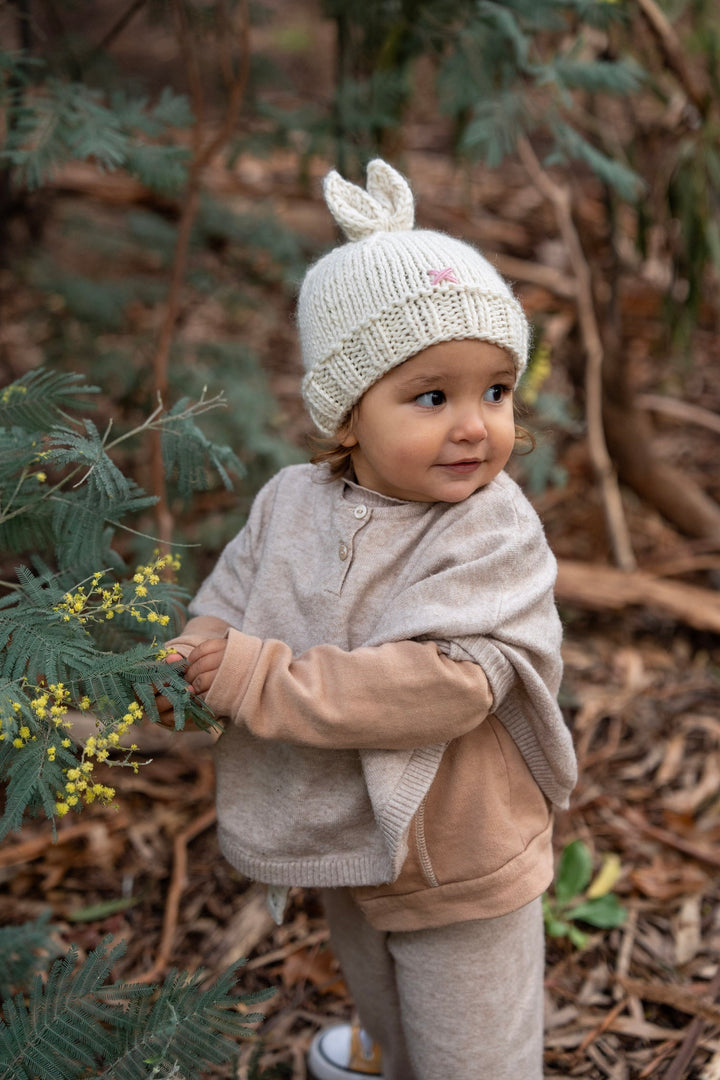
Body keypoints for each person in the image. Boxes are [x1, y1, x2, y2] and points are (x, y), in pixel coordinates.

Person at [157, 159, 577, 1080]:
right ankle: (393, 1054)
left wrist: (253, 677)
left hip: (463, 854)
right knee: (383, 995)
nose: (476, 425)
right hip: (346, 828)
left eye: (495, 391)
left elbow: (448, 683)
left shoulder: (493, 525)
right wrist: (192, 651)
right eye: (434, 396)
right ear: (346, 416)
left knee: (476, 1048)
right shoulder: (290, 503)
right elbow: (230, 597)